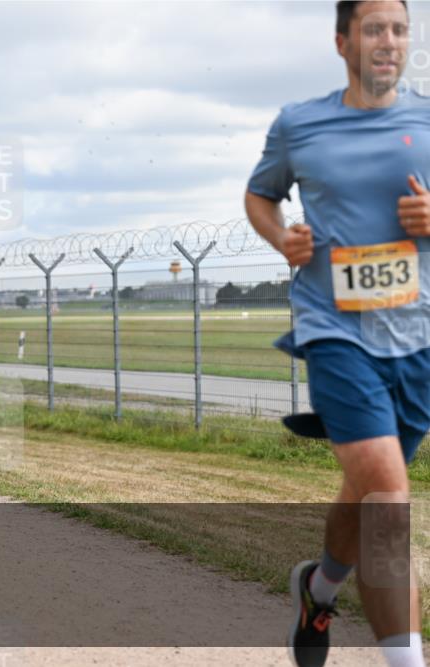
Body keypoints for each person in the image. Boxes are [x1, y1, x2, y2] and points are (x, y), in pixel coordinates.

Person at [245, 2, 429, 666]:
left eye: (400, 29)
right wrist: (282, 237)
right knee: (387, 491)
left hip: (416, 338)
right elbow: (260, 195)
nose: (389, 41)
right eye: (375, 28)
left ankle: (318, 589)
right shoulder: (301, 124)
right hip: (334, 329)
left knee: (368, 490)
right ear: (342, 41)